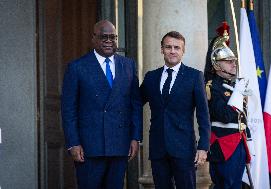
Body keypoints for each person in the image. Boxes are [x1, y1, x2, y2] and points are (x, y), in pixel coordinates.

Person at [61, 20, 142, 189]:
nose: (109, 41)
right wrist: (73, 143)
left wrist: (135, 137)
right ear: (93, 38)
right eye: (104, 37)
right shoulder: (77, 67)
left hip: (119, 144)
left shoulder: (128, 65)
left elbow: (135, 104)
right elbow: (69, 109)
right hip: (89, 147)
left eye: (113, 37)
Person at [140, 31, 211, 189]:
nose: (172, 51)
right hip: (158, 147)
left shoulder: (194, 77)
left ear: (183, 51)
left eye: (177, 47)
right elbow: (135, 102)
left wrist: (203, 146)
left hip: (184, 148)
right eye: (168, 47)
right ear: (162, 49)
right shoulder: (151, 77)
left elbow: (203, 115)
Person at [204, 22, 251, 189]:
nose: (234, 64)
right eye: (228, 61)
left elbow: (242, 118)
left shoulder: (231, 87)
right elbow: (224, 115)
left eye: (234, 60)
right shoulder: (212, 87)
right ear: (217, 65)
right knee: (227, 185)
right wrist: (238, 93)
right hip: (223, 144)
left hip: (238, 142)